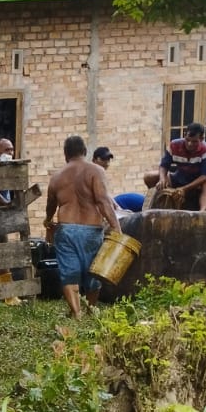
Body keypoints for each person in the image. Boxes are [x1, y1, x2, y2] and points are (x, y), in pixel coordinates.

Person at [45, 134, 120, 319]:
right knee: (93, 271)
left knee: (69, 273)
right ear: (85, 152)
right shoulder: (96, 171)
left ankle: (76, 312)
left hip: (66, 229)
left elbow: (51, 205)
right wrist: (116, 227)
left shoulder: (56, 177)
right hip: (91, 230)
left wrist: (48, 220)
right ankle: (91, 309)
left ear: (65, 154)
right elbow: (103, 201)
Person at [156, 122, 206, 211]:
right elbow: (164, 165)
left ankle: (202, 213)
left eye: (194, 141)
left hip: (198, 180)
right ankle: (157, 205)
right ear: (184, 135)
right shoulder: (174, 145)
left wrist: (184, 189)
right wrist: (162, 179)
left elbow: (205, 176)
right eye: (187, 140)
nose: (190, 144)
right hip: (180, 176)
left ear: (201, 139)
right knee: (150, 177)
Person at [95, 146, 144, 212]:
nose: (107, 163)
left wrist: (117, 207)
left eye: (109, 160)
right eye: (105, 160)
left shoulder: (99, 174)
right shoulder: (93, 173)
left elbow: (105, 193)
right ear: (98, 159)